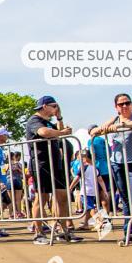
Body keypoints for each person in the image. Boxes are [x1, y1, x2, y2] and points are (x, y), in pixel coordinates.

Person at [91, 93, 132, 242]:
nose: (125, 106)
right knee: (126, 200)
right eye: (121, 104)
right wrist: (101, 130)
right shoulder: (114, 118)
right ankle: (130, 233)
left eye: (127, 103)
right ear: (116, 107)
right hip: (117, 163)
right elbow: (95, 131)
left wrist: (123, 125)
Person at [26, 96, 82, 244]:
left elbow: (59, 130)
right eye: (54, 106)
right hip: (41, 164)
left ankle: (63, 230)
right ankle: (38, 233)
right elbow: (44, 132)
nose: (56, 108)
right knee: (42, 198)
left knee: (62, 196)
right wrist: (62, 132)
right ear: (45, 106)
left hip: (55, 164)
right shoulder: (34, 120)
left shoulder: (48, 121)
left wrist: (59, 117)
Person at [69, 151, 107, 230]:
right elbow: (101, 180)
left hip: (85, 191)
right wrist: (105, 190)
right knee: (88, 209)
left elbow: (77, 178)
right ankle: (86, 224)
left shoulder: (83, 167)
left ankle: (99, 222)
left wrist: (70, 187)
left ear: (85, 158)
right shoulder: (96, 168)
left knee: (90, 208)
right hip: (93, 192)